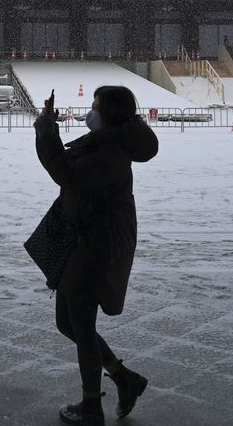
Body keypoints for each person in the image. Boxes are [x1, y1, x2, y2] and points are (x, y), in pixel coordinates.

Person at [34, 85, 158, 424]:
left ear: (111, 114)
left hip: (95, 248)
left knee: (81, 325)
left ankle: (91, 406)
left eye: (95, 106)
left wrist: (46, 132)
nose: (90, 111)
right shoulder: (105, 142)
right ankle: (124, 378)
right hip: (82, 242)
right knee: (68, 323)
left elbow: (67, 173)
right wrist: (51, 129)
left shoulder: (112, 153)